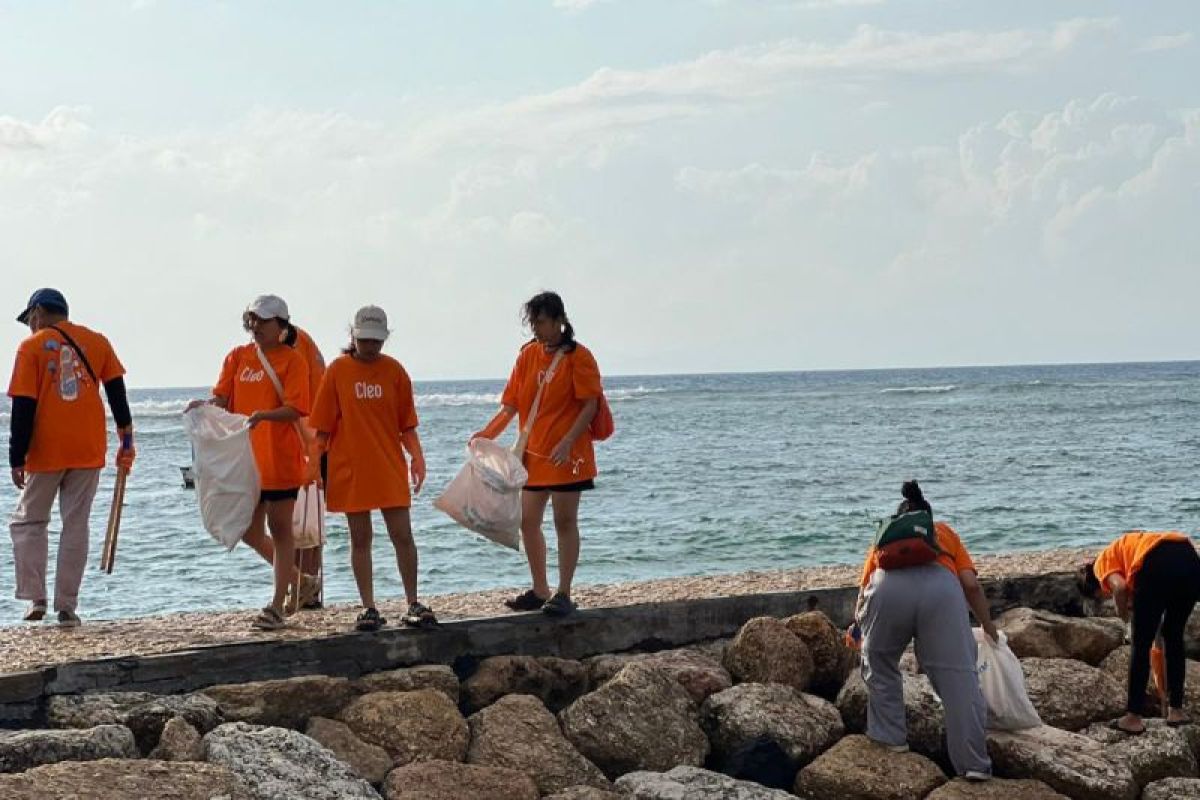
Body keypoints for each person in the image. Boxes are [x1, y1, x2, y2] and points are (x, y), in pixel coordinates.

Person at [851, 480, 997, 781]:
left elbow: (864, 593)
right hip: (941, 590)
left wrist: (862, 629)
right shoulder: (945, 533)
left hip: (887, 589)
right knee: (959, 677)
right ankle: (973, 765)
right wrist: (988, 625)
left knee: (879, 662)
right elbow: (970, 584)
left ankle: (891, 739)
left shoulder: (884, 540)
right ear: (927, 519)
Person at [7, 288, 136, 626]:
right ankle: (67, 606)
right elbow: (117, 393)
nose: (30, 327)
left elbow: (23, 405)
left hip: (46, 449)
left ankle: (36, 599)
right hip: (88, 447)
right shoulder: (97, 341)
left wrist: (15, 456)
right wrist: (127, 438)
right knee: (75, 525)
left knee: (29, 522)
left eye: (30, 320)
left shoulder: (31, 347)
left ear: (37, 312)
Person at [473, 291, 602, 617]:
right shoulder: (527, 355)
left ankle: (564, 592)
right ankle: (540, 588)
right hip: (532, 454)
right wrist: (486, 435)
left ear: (560, 321)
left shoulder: (579, 357)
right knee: (528, 521)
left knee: (564, 521)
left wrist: (569, 440)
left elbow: (590, 404)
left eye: (541, 322)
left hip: (568, 457)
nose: (536, 329)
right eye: (533, 322)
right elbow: (512, 406)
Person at [186, 295, 311, 630]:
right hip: (245, 460)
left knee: (280, 528)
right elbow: (223, 400)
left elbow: (298, 408)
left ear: (282, 325)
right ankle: (299, 581)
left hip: (279, 457)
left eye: (263, 321)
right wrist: (205, 406)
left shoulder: (292, 361)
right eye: (252, 319)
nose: (255, 326)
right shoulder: (238, 357)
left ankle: (276, 605)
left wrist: (264, 416)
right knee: (248, 530)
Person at [309, 305, 435, 631]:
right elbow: (321, 428)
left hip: (388, 464)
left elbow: (406, 424)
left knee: (402, 535)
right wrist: (311, 467)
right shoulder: (337, 371)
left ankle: (413, 602)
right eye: (365, 340)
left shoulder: (395, 371)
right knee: (360, 538)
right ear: (353, 335)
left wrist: (417, 458)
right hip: (349, 466)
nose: (371, 347)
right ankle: (369, 607)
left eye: (377, 341)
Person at [1078, 531, 1200, 733]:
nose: (1104, 595)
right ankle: (1176, 711)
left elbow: (1119, 586)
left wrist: (1122, 613)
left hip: (1156, 561)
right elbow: (1139, 584)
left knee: (1140, 643)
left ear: (1094, 587)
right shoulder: (1123, 552)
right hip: (1188, 557)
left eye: (1101, 596)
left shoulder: (1101, 566)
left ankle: (1133, 717)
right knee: (1173, 635)